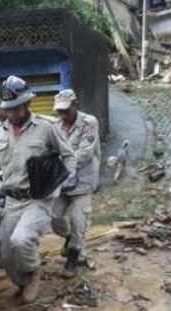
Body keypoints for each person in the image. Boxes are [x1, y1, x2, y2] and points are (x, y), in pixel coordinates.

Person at [0, 76, 76, 303]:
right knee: (6, 254)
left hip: (39, 199)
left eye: (17, 108)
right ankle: (22, 280)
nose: (13, 114)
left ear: (27, 104)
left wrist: (59, 183)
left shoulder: (46, 127)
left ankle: (34, 272)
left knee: (21, 240)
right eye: (8, 109)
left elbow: (68, 156)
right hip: (12, 201)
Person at [50, 89, 101, 277]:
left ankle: (73, 256)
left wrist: (62, 165)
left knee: (79, 222)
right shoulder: (56, 126)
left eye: (66, 110)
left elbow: (85, 153)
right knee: (54, 217)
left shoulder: (89, 122)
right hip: (62, 183)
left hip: (83, 181)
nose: (63, 115)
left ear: (75, 105)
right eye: (59, 111)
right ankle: (69, 237)